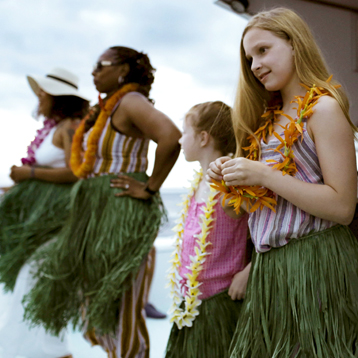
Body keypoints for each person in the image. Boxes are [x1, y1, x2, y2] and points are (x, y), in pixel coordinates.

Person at [208, 8, 358, 358]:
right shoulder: (267, 121)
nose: (255, 65)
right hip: (271, 269)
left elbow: (342, 207)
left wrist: (264, 174)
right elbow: (262, 207)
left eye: (263, 50)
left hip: (316, 264)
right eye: (249, 58)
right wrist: (232, 177)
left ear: (295, 44)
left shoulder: (323, 110)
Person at [23, 46, 181, 358]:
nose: (93, 72)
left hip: (120, 213)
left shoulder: (131, 101)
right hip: (95, 213)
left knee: (119, 303)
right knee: (96, 302)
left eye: (100, 65)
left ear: (122, 70)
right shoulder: (105, 108)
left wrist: (149, 188)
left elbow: (171, 137)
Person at [0, 67, 89, 358]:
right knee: (27, 284)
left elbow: (78, 172)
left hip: (55, 222)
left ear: (57, 97)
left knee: (33, 281)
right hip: (38, 220)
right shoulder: (54, 126)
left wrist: (30, 173)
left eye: (42, 92)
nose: (38, 97)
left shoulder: (71, 127)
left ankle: (50, 351)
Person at [165, 101, 252, 358]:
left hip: (219, 302)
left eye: (184, 132)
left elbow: (267, 225)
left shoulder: (227, 186)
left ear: (203, 137)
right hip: (191, 304)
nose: (180, 140)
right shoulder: (200, 183)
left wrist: (250, 270)